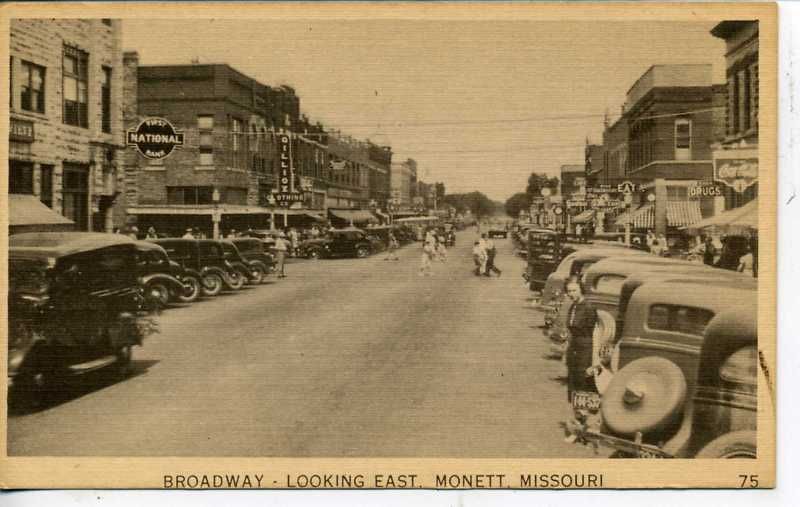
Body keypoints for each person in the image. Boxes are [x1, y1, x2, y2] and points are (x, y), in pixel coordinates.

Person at [564, 280, 598, 404]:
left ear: (581, 290)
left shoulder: (589, 308)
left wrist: (593, 357)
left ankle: (584, 415)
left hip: (585, 348)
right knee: (573, 380)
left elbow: (593, 332)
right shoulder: (574, 306)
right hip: (574, 347)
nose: (571, 294)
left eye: (574, 290)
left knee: (583, 380)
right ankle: (578, 414)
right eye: (569, 291)